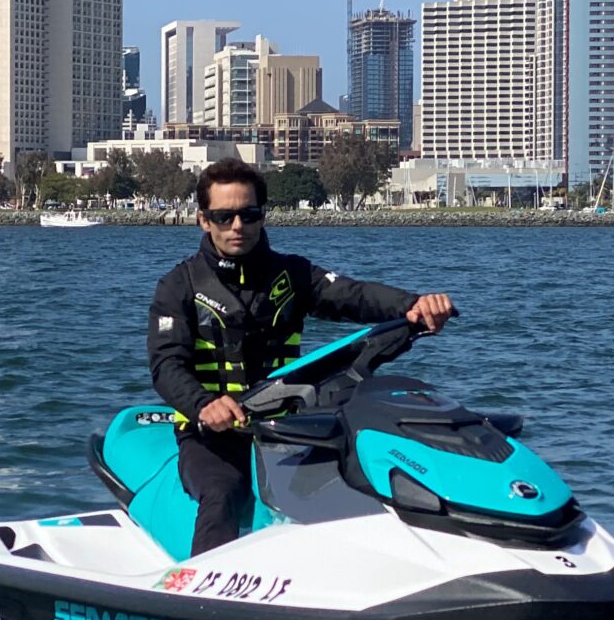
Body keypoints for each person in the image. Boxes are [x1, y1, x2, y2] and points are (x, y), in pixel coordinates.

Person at [147, 158, 457, 557]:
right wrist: (204, 405)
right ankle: (201, 597)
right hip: (212, 435)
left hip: (289, 429)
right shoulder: (178, 286)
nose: (237, 226)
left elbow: (354, 296)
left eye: (248, 214)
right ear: (203, 220)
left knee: (365, 484)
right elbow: (166, 364)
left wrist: (413, 306)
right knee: (223, 493)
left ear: (263, 215)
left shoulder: (292, 275)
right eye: (224, 216)